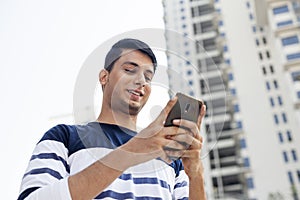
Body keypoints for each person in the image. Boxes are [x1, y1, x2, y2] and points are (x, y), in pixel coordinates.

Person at [18, 38, 207, 200]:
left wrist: (195, 172)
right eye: (129, 70)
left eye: (148, 77)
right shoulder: (64, 137)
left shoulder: (170, 156)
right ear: (103, 77)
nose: (141, 81)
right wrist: (132, 150)